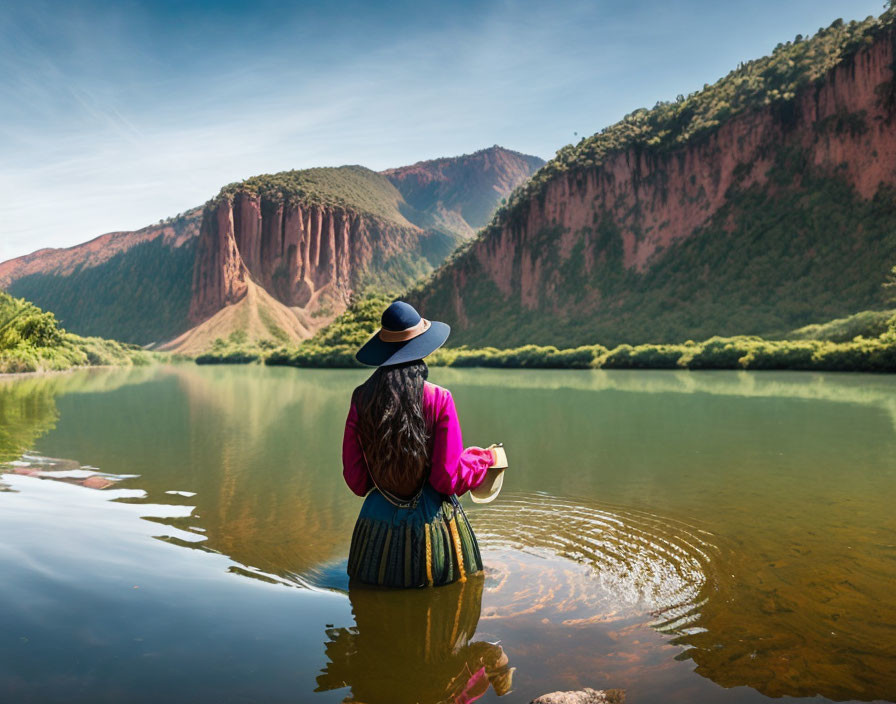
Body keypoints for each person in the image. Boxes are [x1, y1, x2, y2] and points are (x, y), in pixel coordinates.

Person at [342, 300, 506, 588]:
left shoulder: (360, 398)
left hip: (376, 523)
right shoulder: (439, 399)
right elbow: (445, 479)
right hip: (430, 525)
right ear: (421, 347)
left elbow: (357, 481)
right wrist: (482, 462)